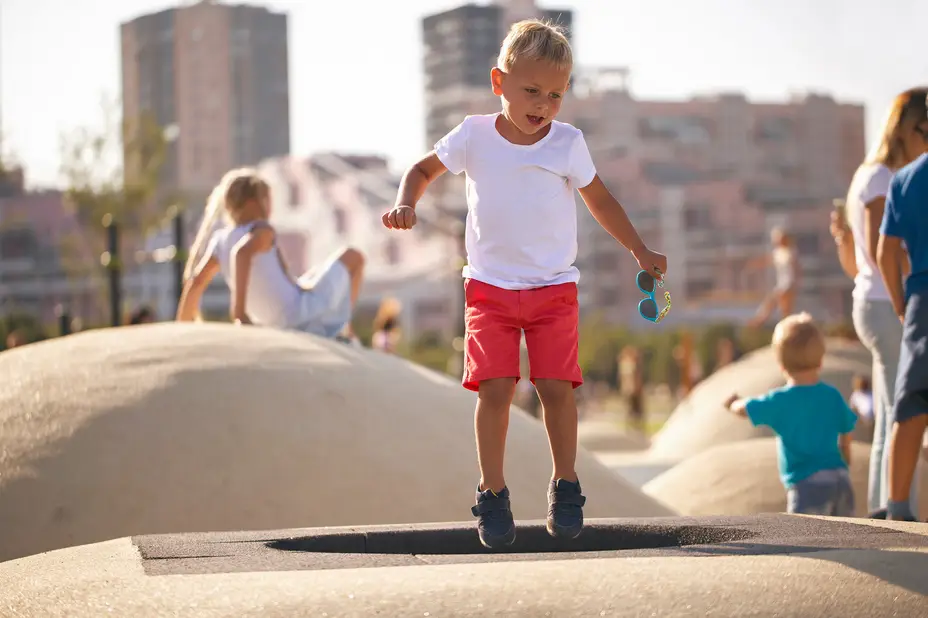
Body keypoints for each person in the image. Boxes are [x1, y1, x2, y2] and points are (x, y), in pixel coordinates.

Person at [382, 19, 667, 549]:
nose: (542, 104)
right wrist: (406, 203)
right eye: (531, 91)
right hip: (488, 287)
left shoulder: (567, 143)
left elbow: (600, 201)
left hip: (553, 288)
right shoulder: (472, 135)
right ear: (499, 82)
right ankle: (492, 493)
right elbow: (421, 171)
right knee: (496, 389)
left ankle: (566, 485)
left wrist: (640, 250)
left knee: (557, 388)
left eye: (555, 95)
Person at [830, 87, 928, 516]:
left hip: (875, 298)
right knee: (900, 410)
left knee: (893, 410)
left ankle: (882, 508)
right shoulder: (885, 178)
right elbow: (877, 249)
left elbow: (855, 259)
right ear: (912, 127)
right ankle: (891, 510)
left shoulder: (875, 176)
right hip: (890, 301)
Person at [176, 167, 365, 340]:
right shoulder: (261, 230)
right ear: (253, 203)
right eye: (267, 200)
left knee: (314, 274)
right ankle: (344, 329)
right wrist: (239, 313)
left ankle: (339, 326)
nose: (270, 207)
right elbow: (241, 253)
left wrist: (179, 329)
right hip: (299, 314)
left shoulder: (220, 239)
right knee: (354, 257)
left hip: (272, 322)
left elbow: (196, 283)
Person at [725, 313, 857, 516]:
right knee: (845, 541)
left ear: (782, 365)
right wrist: (845, 457)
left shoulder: (780, 401)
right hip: (840, 481)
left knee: (804, 542)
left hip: (806, 486)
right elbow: (846, 428)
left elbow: (747, 409)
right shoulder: (832, 395)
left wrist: (733, 403)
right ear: (821, 360)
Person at [876, 90, 928, 521]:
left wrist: (900, 303)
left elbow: (886, 252)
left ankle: (897, 507)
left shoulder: (904, 179)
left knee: (911, 403)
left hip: (922, 300)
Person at [746, 228, 800, 328]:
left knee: (779, 304)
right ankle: (761, 321)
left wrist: (796, 283)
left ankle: (759, 321)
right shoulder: (779, 252)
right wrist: (755, 264)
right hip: (782, 284)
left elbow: (796, 268)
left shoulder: (790, 252)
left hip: (788, 284)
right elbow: (768, 259)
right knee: (781, 306)